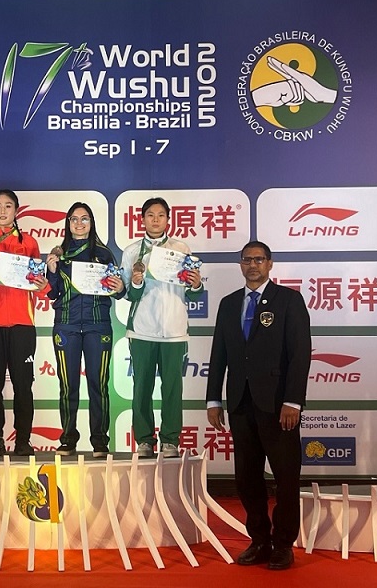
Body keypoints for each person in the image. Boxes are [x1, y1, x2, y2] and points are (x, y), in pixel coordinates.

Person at [206, 241, 311, 571]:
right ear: (241, 265)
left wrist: (293, 401)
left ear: (270, 264)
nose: (253, 265)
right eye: (247, 260)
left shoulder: (289, 300)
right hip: (240, 403)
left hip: (278, 405)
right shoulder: (229, 304)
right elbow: (219, 354)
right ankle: (260, 540)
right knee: (247, 478)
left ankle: (283, 544)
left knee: (286, 478)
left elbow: (300, 354)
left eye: (259, 259)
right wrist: (213, 399)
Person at [120, 197, 203, 458]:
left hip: (174, 330)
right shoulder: (132, 251)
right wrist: (136, 282)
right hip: (142, 330)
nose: (155, 220)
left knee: (172, 390)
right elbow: (128, 294)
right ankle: (144, 440)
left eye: (161, 215)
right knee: (141, 388)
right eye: (150, 215)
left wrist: (196, 284)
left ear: (168, 219)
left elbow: (193, 292)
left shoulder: (181, 249)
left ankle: (170, 441)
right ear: (142, 219)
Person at [45, 202, 125, 457]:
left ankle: (100, 441)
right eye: (74, 219)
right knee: (68, 385)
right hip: (66, 325)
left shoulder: (103, 253)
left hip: (97, 325)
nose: (79, 224)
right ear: (68, 223)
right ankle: (68, 439)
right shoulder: (59, 253)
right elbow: (52, 293)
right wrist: (52, 270)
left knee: (98, 384)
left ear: (92, 223)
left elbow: (119, 292)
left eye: (84, 219)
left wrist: (120, 286)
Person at [0, 189, 48, 456]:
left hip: (22, 325)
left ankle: (23, 440)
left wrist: (42, 284)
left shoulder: (29, 243)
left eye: (8, 206)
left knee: (23, 385)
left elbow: (40, 288)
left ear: (16, 210)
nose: (3, 211)